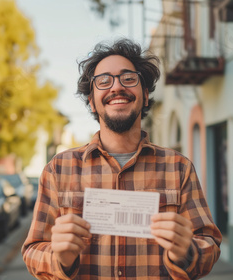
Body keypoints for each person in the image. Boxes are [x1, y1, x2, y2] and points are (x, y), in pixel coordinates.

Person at [22, 38, 222, 279]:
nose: (116, 87)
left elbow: (209, 244)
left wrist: (187, 252)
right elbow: (33, 249)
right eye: (104, 81)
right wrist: (60, 258)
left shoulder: (179, 168)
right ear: (92, 102)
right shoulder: (59, 169)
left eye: (128, 78)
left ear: (145, 96)